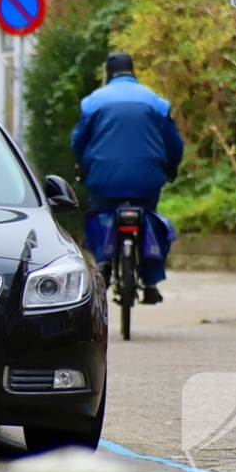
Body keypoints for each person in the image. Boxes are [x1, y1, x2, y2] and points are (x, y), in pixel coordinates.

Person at [70, 52, 184, 305]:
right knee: (149, 217)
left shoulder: (93, 102)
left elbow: (78, 141)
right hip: (147, 178)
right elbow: (174, 143)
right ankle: (151, 281)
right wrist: (171, 167)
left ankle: (103, 262)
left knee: (100, 212)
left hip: (103, 177)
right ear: (133, 72)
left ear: (108, 74)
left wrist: (81, 166)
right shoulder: (155, 102)